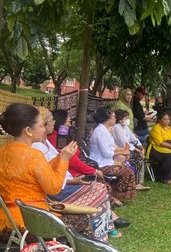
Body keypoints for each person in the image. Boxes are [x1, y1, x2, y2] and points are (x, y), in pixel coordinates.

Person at [32, 108, 119, 241]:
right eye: (49, 120)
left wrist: (72, 180)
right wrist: (67, 163)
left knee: (99, 188)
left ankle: (104, 228)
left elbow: (55, 168)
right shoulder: (37, 148)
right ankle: (101, 234)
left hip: (63, 183)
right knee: (100, 189)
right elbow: (50, 181)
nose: (53, 122)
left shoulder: (47, 142)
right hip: (56, 192)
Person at [0, 103, 77, 238]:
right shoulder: (34, 155)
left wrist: (60, 157)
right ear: (28, 130)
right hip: (30, 225)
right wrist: (64, 160)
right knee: (82, 219)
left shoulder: (3, 151)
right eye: (41, 126)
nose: (43, 130)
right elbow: (54, 188)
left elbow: (39, 170)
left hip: (6, 222)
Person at [89, 106, 137, 200]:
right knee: (128, 172)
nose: (115, 118)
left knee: (127, 167)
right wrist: (120, 153)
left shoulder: (104, 130)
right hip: (101, 164)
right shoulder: (100, 131)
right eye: (113, 117)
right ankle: (118, 195)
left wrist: (122, 151)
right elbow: (106, 153)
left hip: (107, 161)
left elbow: (110, 148)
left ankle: (116, 193)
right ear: (107, 120)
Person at [112, 109, 151, 191]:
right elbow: (124, 143)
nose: (127, 120)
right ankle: (135, 183)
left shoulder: (125, 127)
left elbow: (134, 138)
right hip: (120, 151)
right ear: (120, 119)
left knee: (140, 157)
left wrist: (141, 147)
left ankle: (139, 182)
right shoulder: (116, 128)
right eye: (126, 118)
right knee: (137, 159)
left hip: (128, 150)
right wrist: (137, 150)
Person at [147, 112, 171, 185]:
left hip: (169, 147)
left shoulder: (169, 129)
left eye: (168, 119)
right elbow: (160, 143)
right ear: (159, 120)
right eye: (165, 119)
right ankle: (168, 179)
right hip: (156, 149)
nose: (167, 121)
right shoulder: (156, 128)